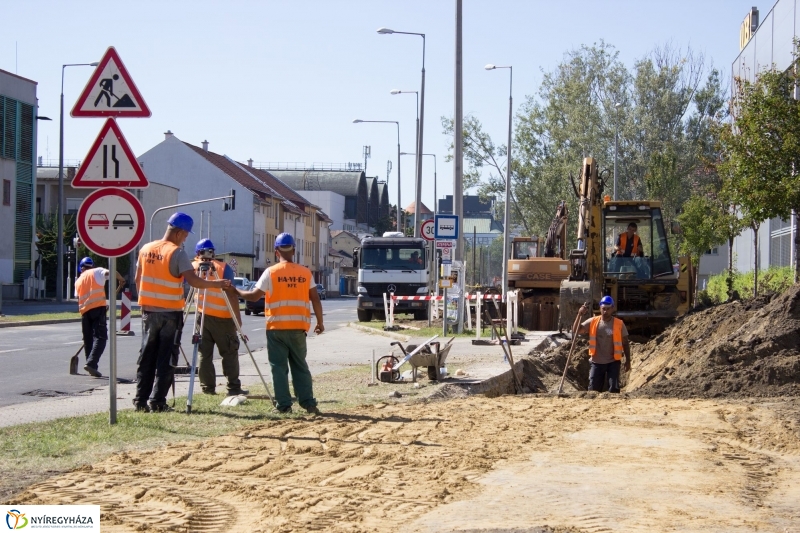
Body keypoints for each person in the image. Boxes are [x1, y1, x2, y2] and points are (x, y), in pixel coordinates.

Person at [133, 212, 231, 412]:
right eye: (186, 234)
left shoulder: (145, 249)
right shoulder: (176, 253)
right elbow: (194, 281)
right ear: (179, 232)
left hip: (149, 312)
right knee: (166, 359)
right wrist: (217, 283)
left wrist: (144, 299)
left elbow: (137, 278)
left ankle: (140, 400)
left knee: (147, 356)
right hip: (170, 313)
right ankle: (158, 401)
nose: (186, 238)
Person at [237, 232, 324, 415]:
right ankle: (309, 403)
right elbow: (315, 299)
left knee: (278, 368)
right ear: (294, 250)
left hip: (276, 329)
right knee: (300, 366)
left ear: (276, 251)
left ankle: (284, 406)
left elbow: (254, 296)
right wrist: (320, 322)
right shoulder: (305, 272)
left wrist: (235, 291)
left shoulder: (271, 272)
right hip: (298, 329)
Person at [192, 238, 248, 397]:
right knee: (229, 353)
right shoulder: (223, 268)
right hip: (223, 318)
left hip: (202, 316)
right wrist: (237, 319)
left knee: (205, 355)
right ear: (213, 252)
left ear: (197, 253)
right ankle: (233, 387)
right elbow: (232, 294)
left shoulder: (193, 267)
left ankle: (207, 388)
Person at [74, 257, 125, 377]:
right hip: (97, 310)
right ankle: (91, 363)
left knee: (88, 340)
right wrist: (121, 279)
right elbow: (111, 272)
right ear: (92, 265)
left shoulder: (78, 281)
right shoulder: (97, 271)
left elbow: (79, 298)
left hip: (85, 313)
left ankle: (90, 364)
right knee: (101, 337)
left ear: (81, 268)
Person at [576, 295, 631, 393]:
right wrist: (579, 314)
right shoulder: (593, 321)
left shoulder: (619, 324)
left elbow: (625, 343)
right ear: (600, 308)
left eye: (608, 309)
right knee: (593, 390)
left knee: (614, 390)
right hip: (596, 361)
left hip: (613, 361)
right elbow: (577, 330)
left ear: (612, 308)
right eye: (603, 309)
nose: (605, 311)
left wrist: (628, 361)